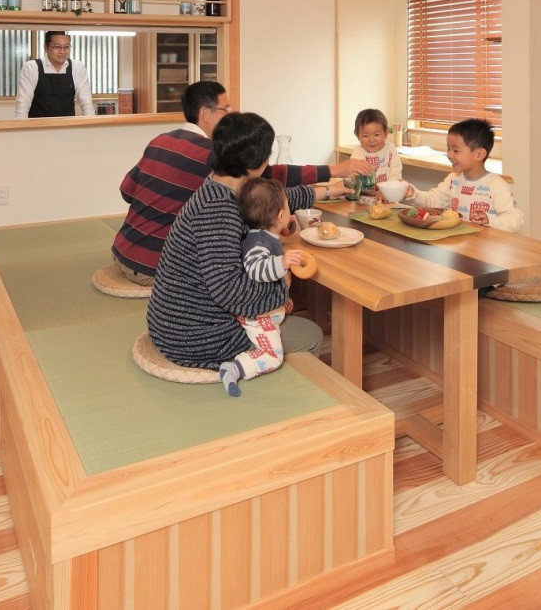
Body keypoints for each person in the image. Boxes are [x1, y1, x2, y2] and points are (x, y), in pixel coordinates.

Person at [112, 80, 370, 285]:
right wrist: (332, 172)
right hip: (154, 266)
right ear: (205, 114)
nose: (230, 114)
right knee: (260, 261)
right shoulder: (214, 155)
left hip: (123, 250)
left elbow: (127, 191)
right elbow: (270, 184)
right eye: (225, 109)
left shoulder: (160, 140)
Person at [147, 112, 323, 372]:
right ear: (255, 164)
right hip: (196, 336)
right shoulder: (220, 211)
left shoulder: (217, 187)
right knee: (311, 334)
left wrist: (326, 191)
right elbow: (232, 294)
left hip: (174, 319)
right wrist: (282, 288)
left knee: (277, 297)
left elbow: (269, 201)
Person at [218, 178, 302, 396]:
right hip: (257, 314)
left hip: (264, 304)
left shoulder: (262, 233)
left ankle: (280, 310)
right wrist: (282, 262)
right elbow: (256, 269)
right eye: (287, 206)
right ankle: (235, 367)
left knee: (289, 304)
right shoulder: (259, 243)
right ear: (280, 216)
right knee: (273, 356)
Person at [406, 118, 524, 233]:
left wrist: (491, 221)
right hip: (460, 241)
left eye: (455, 151)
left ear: (479, 154)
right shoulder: (453, 179)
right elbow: (434, 201)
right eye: (448, 149)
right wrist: (414, 194)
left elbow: (515, 220)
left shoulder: (496, 185)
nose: (449, 155)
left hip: (487, 244)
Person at [15, 31, 94, 118]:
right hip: (38, 125)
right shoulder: (31, 67)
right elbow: (22, 105)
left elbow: (86, 100)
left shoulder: (77, 67)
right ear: (46, 48)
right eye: (57, 47)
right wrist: (20, 125)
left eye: (66, 47)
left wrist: (91, 122)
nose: (62, 51)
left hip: (68, 124)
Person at [349, 108, 403, 184]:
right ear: (357, 135)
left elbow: (396, 173)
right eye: (365, 136)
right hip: (366, 190)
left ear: (386, 133)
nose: (371, 140)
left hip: (389, 189)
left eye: (376, 135)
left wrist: (390, 187)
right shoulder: (358, 153)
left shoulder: (390, 149)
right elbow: (354, 176)